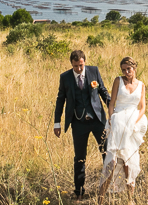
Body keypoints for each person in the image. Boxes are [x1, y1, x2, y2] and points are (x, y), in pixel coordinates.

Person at [55, 49, 111, 200]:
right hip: (78, 123)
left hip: (98, 120)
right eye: (75, 66)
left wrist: (113, 108)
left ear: (84, 62)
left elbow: (103, 91)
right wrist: (57, 123)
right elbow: (60, 100)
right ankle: (79, 191)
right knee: (80, 158)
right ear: (71, 65)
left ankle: (105, 190)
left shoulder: (94, 71)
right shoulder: (65, 77)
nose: (79, 69)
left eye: (81, 65)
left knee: (106, 153)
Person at [98, 56, 148, 203]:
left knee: (129, 162)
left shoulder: (141, 85)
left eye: (129, 69)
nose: (126, 72)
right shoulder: (118, 81)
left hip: (133, 123)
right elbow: (111, 103)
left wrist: (134, 123)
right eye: (124, 69)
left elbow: (142, 107)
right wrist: (112, 118)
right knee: (112, 161)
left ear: (134, 68)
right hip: (118, 121)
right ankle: (100, 199)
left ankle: (130, 199)